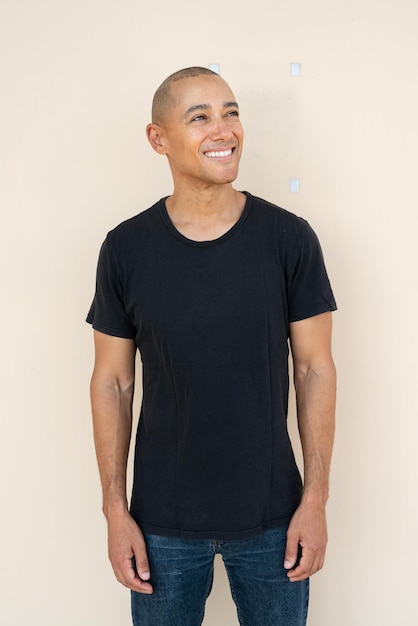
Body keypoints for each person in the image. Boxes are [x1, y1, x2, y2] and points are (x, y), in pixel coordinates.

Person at [87, 66, 337, 626]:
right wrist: (115, 512)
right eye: (199, 117)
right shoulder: (125, 249)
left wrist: (315, 500)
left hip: (275, 516)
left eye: (231, 112)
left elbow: (315, 369)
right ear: (159, 139)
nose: (223, 130)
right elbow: (113, 382)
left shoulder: (289, 238)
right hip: (159, 523)